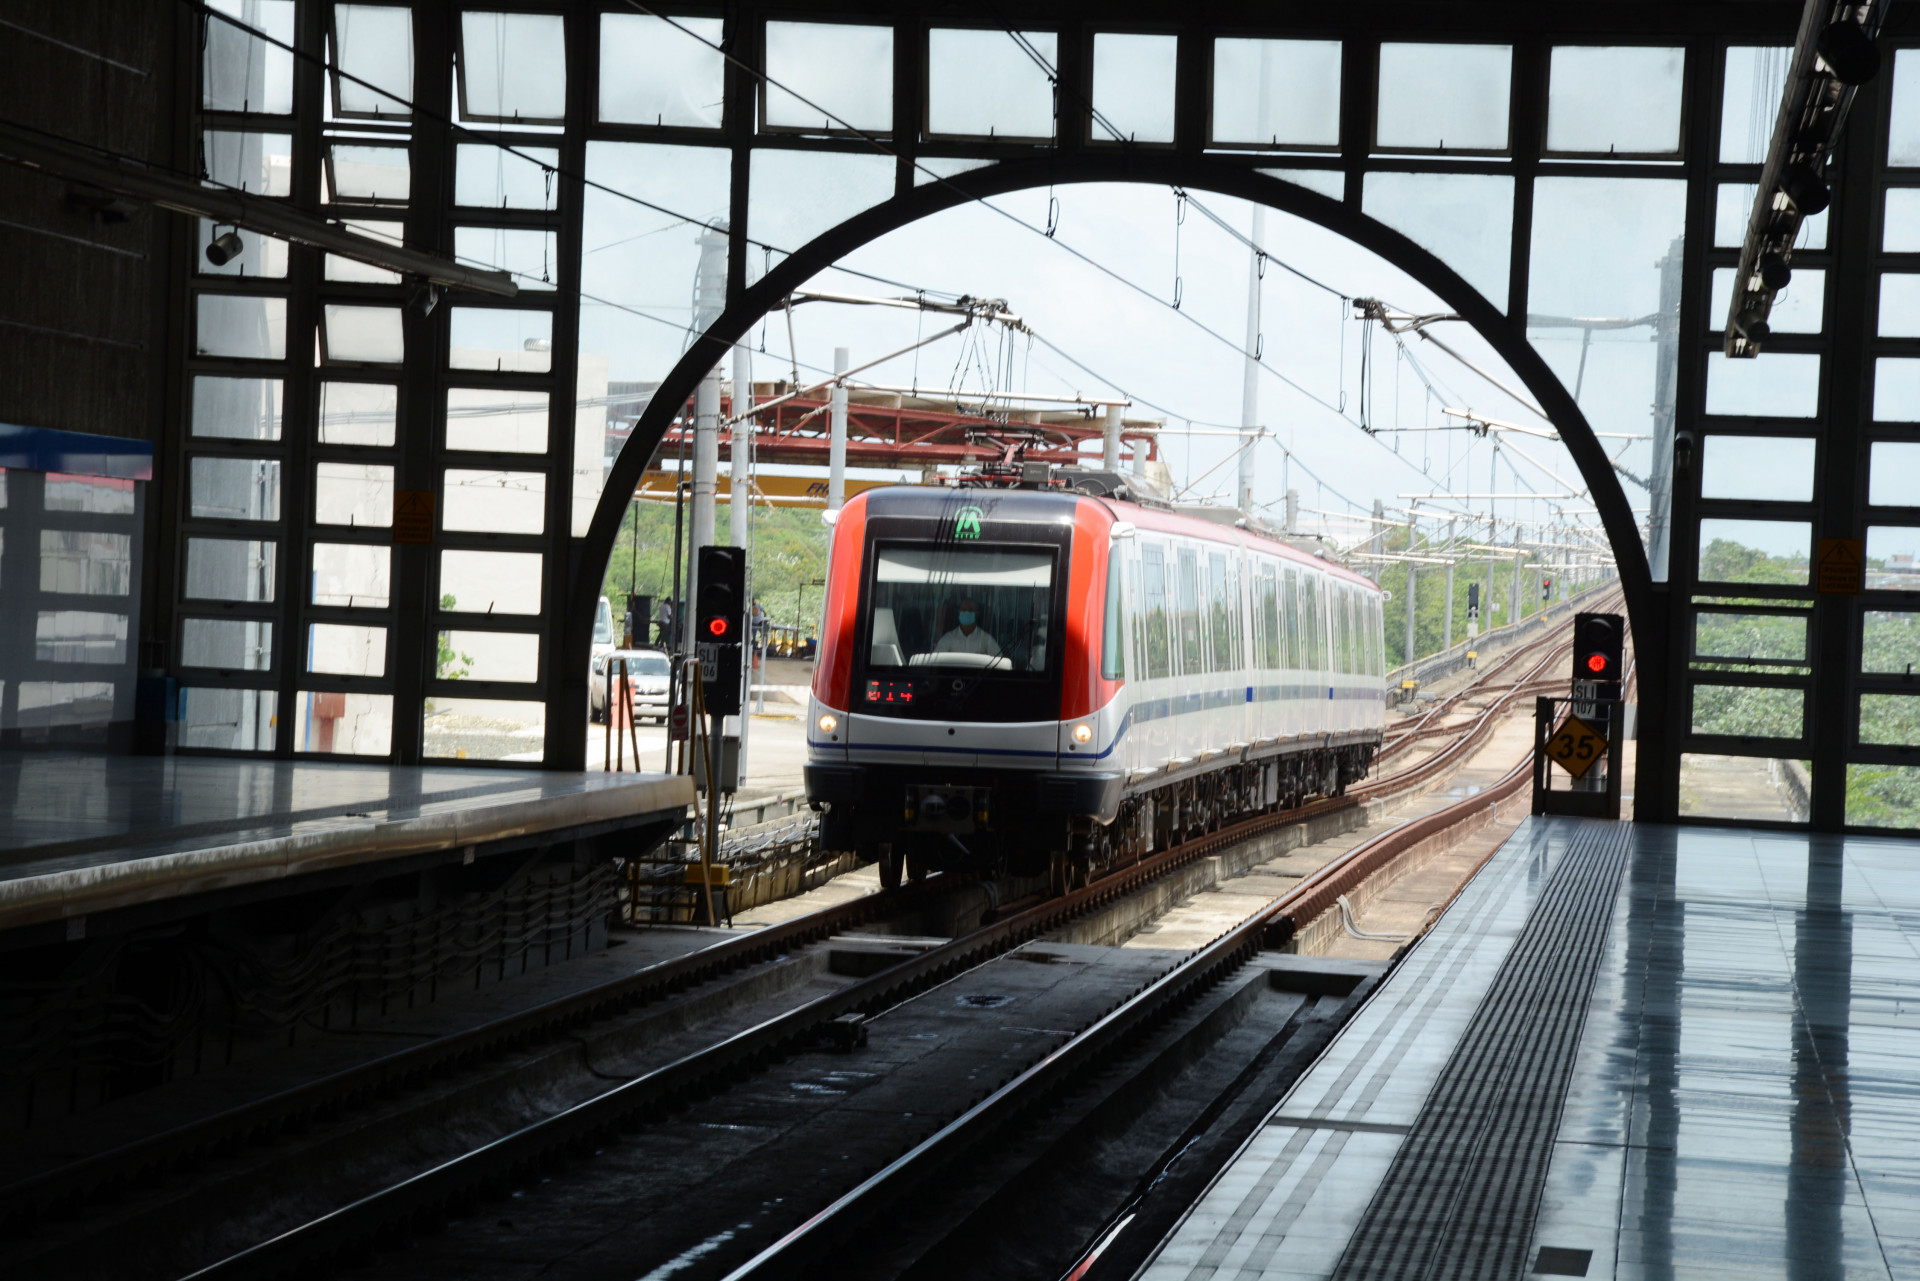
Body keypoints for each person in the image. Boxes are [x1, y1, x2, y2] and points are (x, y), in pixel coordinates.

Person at [933, 597, 1002, 657]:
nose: (966, 612)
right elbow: (936, 661)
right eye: (963, 610)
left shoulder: (987, 639)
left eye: (970, 610)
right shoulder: (948, 638)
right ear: (959, 612)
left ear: (977, 614)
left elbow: (999, 661)